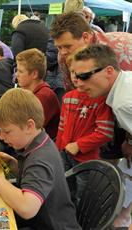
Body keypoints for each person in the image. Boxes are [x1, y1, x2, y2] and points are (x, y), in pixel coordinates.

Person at [0, 88, 81, 230]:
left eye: (6, 131)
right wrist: (13, 165)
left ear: (29, 126)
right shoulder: (40, 141)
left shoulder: (40, 159)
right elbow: (34, 176)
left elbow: (27, 208)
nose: (1, 137)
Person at [72, 44, 132, 227]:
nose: (79, 83)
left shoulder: (123, 103)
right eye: (76, 76)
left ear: (108, 71)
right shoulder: (125, 82)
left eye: (84, 76)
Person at [56, 52, 114, 205]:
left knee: (82, 195)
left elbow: (105, 132)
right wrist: (58, 150)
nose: (75, 77)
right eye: (72, 72)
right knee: (64, 189)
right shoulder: (67, 97)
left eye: (80, 74)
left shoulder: (99, 98)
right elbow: (61, 127)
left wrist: (79, 145)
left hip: (86, 158)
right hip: (65, 154)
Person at [50, 12, 132, 91]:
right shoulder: (63, 57)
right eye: (59, 47)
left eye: (68, 46)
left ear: (85, 37)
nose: (63, 52)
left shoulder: (121, 53)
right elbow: (75, 94)